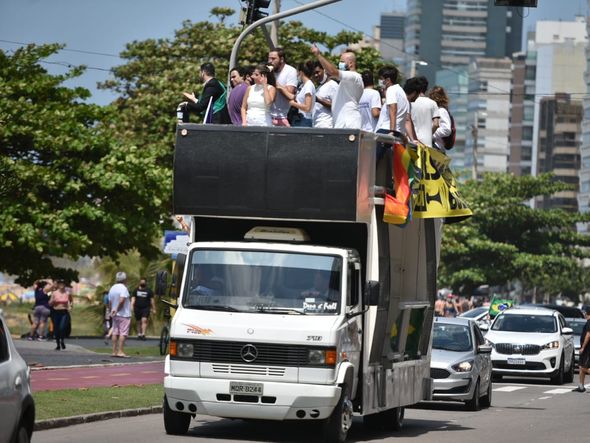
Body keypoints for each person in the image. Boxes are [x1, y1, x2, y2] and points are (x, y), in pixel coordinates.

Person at [311, 44, 364, 129]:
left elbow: (332, 71)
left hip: (349, 124)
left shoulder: (355, 77)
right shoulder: (345, 82)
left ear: (350, 63)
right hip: (341, 125)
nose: (340, 64)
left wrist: (318, 55)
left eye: (342, 62)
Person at [404, 76, 440, 147]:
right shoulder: (432, 103)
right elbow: (436, 124)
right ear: (426, 88)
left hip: (410, 140)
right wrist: (429, 135)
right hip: (426, 143)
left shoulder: (409, 101)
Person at [267, 48, 298, 126]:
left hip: (282, 117)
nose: (270, 61)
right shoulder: (269, 71)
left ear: (281, 59)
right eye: (269, 58)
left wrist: (276, 83)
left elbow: (290, 94)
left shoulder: (290, 71)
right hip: (268, 115)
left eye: (273, 59)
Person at [108, 271, 132, 358]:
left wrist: (112, 310)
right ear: (125, 279)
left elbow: (110, 302)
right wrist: (117, 309)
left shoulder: (112, 288)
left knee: (115, 332)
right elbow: (122, 300)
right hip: (124, 314)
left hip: (115, 314)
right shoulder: (123, 288)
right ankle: (120, 351)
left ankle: (114, 351)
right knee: (123, 333)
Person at [287, 61, 316, 127]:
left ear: (301, 72)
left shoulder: (309, 85)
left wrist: (293, 104)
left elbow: (307, 107)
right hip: (298, 119)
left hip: (304, 120)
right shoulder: (302, 85)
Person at [312, 61, 338, 128]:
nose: (316, 75)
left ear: (324, 70)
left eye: (317, 72)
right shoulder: (318, 88)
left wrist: (319, 100)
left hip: (327, 125)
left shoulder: (333, 85)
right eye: (314, 73)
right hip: (316, 125)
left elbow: (337, 106)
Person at [48, 279, 73, 350]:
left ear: (65, 285)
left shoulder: (67, 293)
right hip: (56, 312)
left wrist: (70, 306)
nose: (61, 285)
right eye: (60, 284)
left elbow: (71, 301)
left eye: (63, 283)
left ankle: (62, 340)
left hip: (64, 312)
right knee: (56, 329)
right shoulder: (54, 293)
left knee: (62, 328)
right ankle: (58, 344)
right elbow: (49, 303)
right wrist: (53, 301)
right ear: (58, 285)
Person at [428, 85, 452, 152]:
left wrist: (431, 134)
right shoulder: (435, 110)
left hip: (437, 148)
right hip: (433, 147)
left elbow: (446, 130)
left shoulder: (441, 111)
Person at [573, 308, 590, 392]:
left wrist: (583, 347)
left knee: (584, 367)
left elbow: (588, 335)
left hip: (587, 349)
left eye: (584, 312)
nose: (584, 314)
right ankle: (581, 386)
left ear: (588, 313)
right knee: (581, 366)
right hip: (586, 349)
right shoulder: (587, 322)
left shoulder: (589, 322)